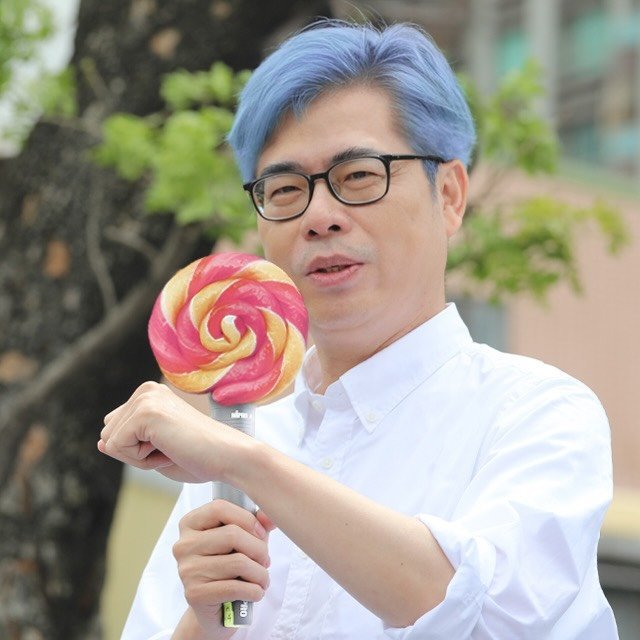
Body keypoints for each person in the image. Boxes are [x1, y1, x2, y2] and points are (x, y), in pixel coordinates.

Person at [98, 20, 618, 640]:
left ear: (450, 196)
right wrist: (207, 622)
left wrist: (246, 463)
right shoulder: (240, 442)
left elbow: (484, 613)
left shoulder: (539, 414)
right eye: (284, 188)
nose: (319, 216)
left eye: (359, 176)